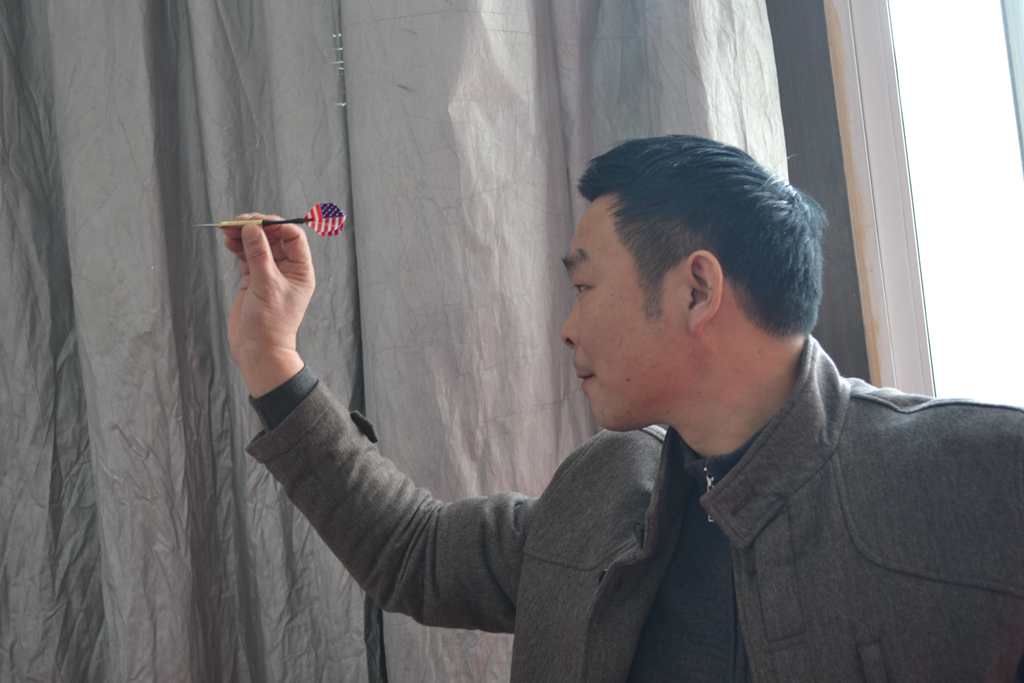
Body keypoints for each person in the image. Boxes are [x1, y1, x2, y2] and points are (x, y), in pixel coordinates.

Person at [222, 135, 1024, 682]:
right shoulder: (606, 490)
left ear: (696, 289)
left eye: (583, 285)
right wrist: (271, 357)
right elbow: (415, 553)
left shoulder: (973, 475)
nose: (567, 326)